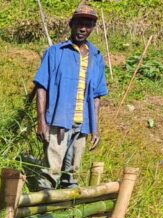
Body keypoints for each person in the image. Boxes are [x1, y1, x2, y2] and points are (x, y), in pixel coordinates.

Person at [33, 5, 109, 188]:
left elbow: (97, 95)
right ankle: (44, 209)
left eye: (88, 24)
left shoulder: (96, 57)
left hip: (82, 125)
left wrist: (95, 128)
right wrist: (41, 121)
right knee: (51, 174)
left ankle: (67, 212)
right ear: (71, 24)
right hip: (57, 122)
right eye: (80, 23)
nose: (83, 28)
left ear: (92, 28)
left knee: (71, 176)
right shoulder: (55, 52)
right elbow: (41, 87)